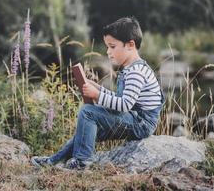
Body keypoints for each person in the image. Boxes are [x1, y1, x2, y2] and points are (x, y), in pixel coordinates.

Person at [31, 17, 165, 170]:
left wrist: (97, 95)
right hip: (134, 118)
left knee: (88, 112)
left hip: (141, 123)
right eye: (107, 47)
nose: (108, 52)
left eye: (112, 46)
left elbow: (124, 105)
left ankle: (82, 162)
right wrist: (99, 89)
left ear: (130, 45)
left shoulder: (136, 72)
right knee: (85, 130)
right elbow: (122, 100)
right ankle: (54, 161)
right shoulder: (131, 68)